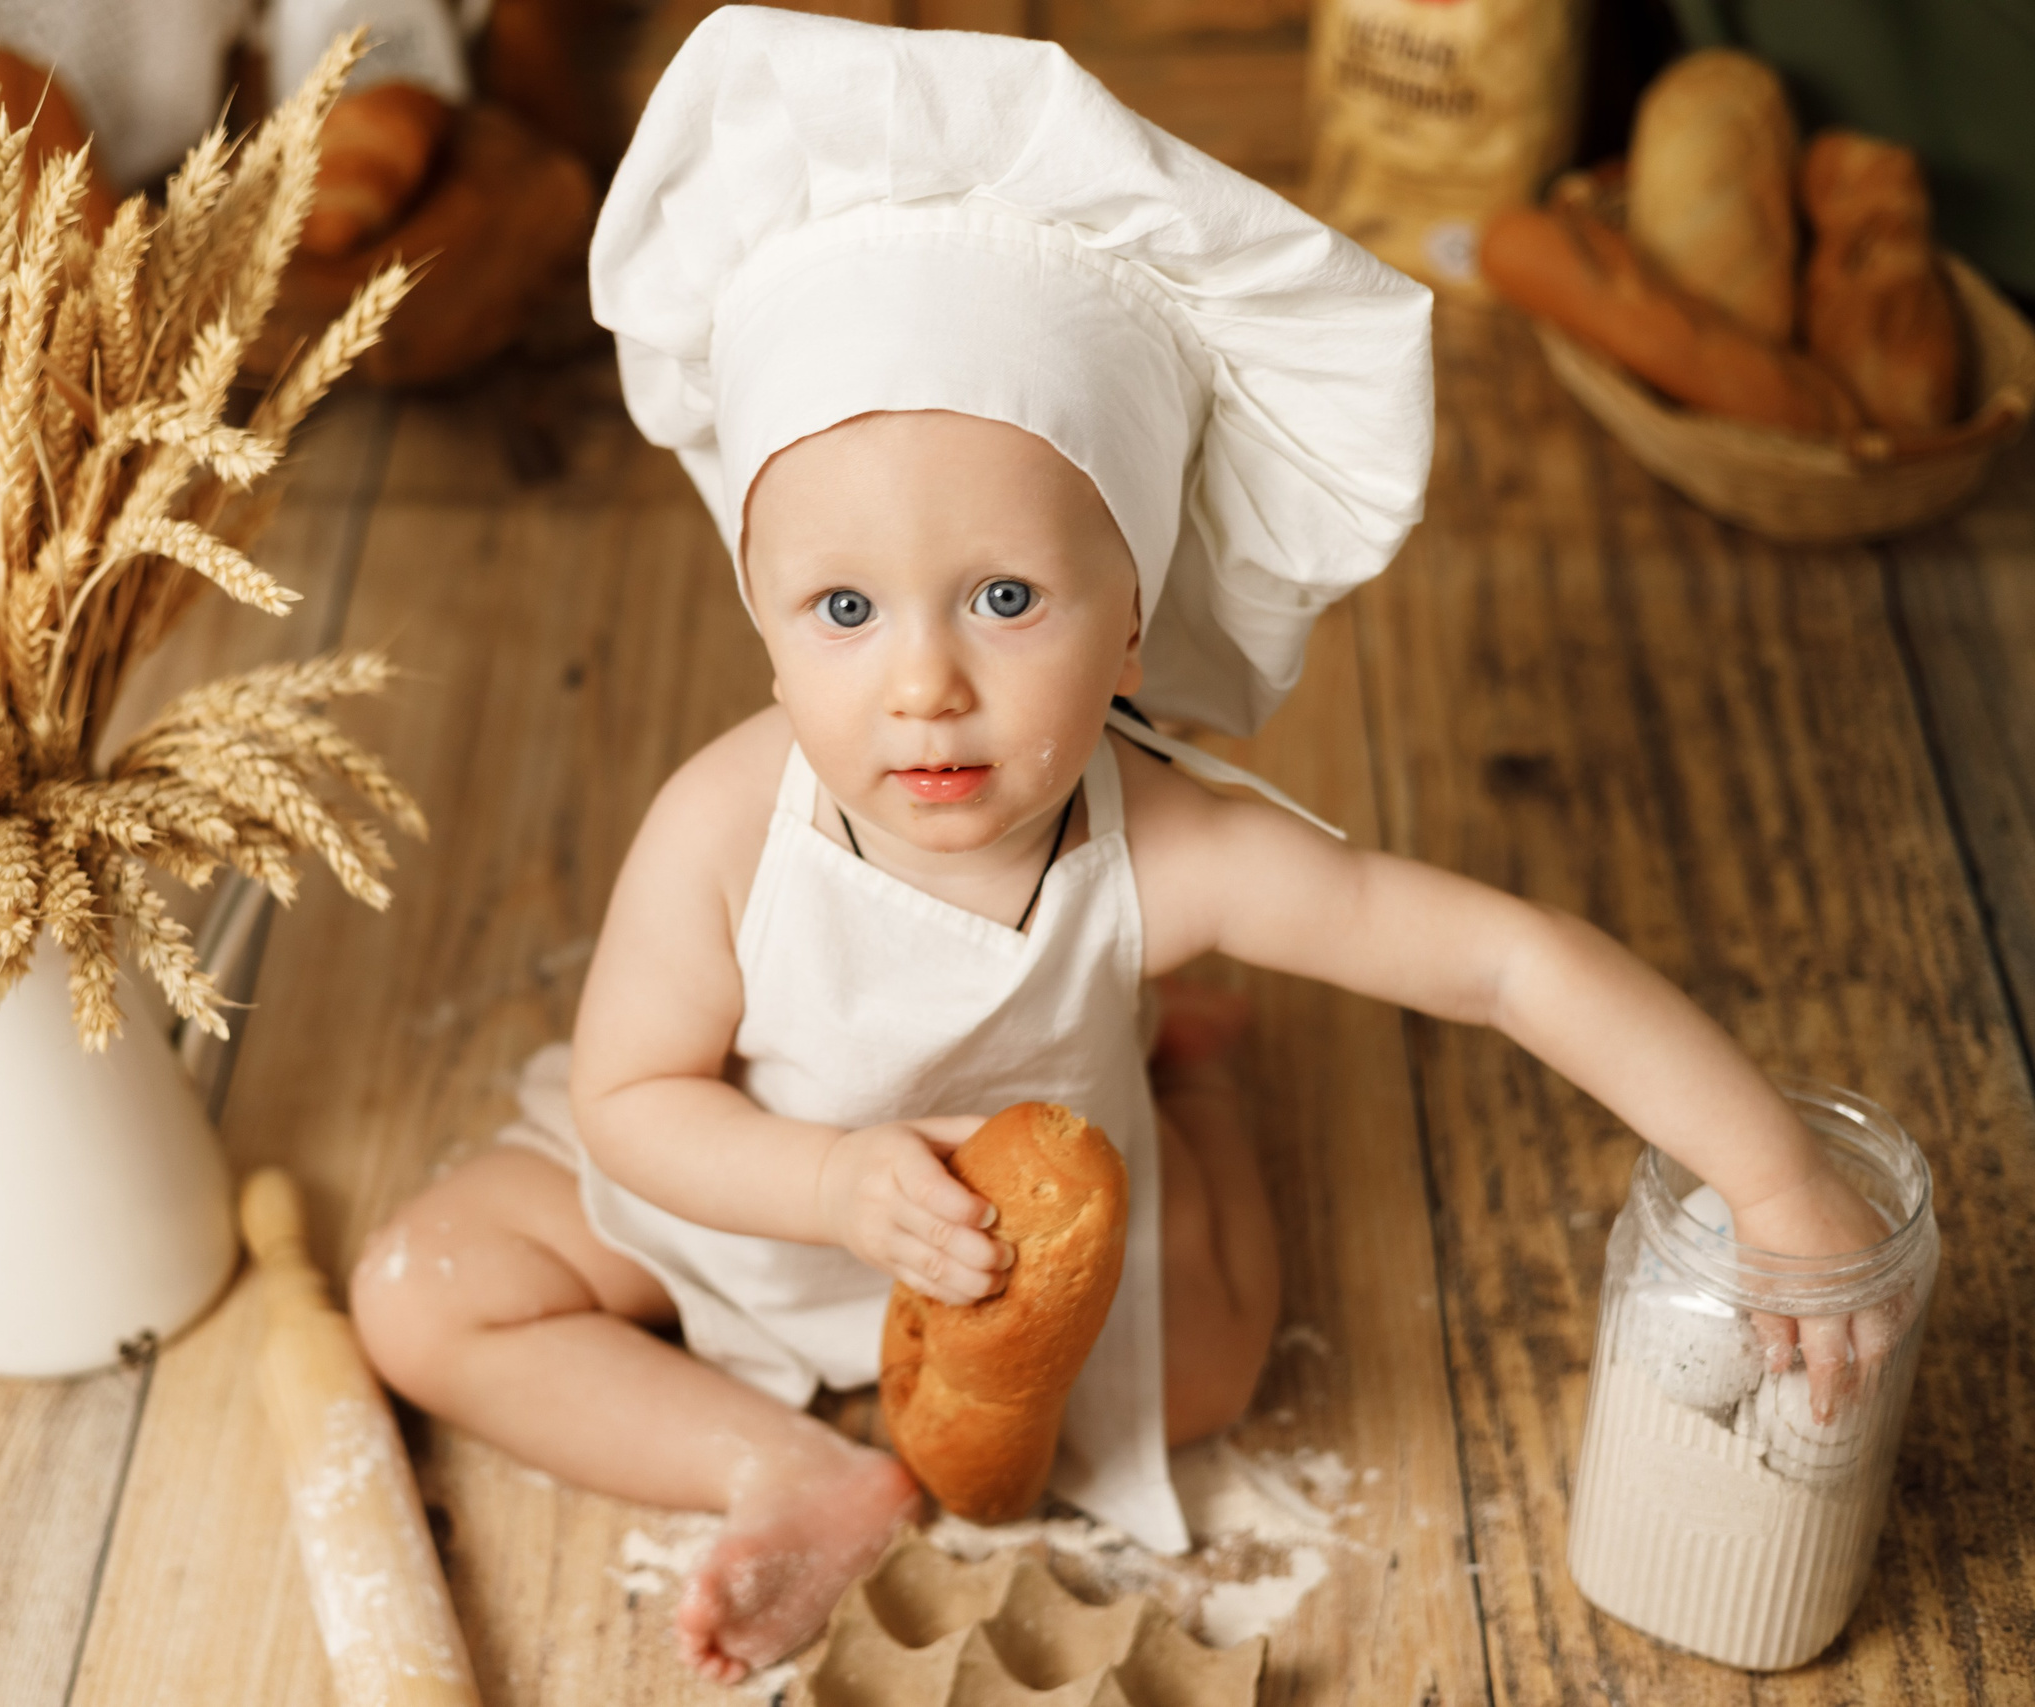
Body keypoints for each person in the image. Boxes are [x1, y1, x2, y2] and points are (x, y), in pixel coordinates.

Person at [345, 6, 1899, 1684]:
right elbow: (629, 1104)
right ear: (763, 626)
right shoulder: (727, 828)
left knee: (1213, 1375)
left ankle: (1195, 1092)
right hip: (746, 1203)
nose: (926, 685)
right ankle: (779, 1462)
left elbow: (1503, 961)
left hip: (1019, 1256)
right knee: (422, 1293)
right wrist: (823, 1182)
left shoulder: (1164, 851)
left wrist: (1773, 1181)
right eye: (846, 609)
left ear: (1137, 625)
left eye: (1007, 600)